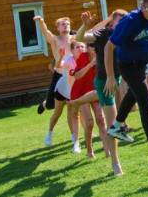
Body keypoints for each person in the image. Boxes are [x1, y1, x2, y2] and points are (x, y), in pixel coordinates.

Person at [104, 0, 148, 173]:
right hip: (126, 64)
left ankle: (117, 126)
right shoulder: (130, 20)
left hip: (142, 63)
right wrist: (110, 76)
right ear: (143, 7)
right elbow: (108, 47)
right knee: (146, 103)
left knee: (134, 94)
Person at [74, 9, 127, 175]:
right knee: (113, 124)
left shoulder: (127, 35)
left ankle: (75, 101)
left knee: (114, 108)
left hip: (117, 79)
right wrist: (84, 25)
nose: (123, 24)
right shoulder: (104, 33)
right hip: (104, 81)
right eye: (119, 21)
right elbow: (80, 38)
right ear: (111, 23)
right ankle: (115, 162)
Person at [33, 15, 73, 146]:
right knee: (54, 108)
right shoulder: (55, 40)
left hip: (71, 76)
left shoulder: (75, 39)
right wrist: (41, 21)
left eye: (67, 23)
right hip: (59, 76)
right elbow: (46, 33)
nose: (66, 25)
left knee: (73, 108)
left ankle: (75, 136)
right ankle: (49, 132)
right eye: (62, 24)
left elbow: (92, 31)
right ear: (58, 27)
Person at [68, 40, 105, 158]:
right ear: (88, 48)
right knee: (89, 123)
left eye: (96, 46)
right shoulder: (83, 57)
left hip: (95, 90)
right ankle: (89, 150)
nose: (94, 48)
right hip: (81, 92)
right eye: (91, 46)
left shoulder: (102, 57)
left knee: (101, 119)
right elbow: (77, 76)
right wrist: (90, 65)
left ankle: (107, 148)